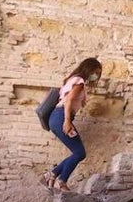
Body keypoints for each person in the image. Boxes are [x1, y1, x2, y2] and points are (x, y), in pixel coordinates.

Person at [40, 57, 101, 193]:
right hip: (61, 116)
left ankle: (51, 175)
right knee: (79, 152)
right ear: (88, 69)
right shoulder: (79, 82)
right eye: (95, 72)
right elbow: (68, 101)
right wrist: (67, 121)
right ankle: (62, 181)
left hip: (55, 118)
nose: (95, 76)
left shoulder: (72, 79)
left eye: (98, 74)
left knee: (78, 153)